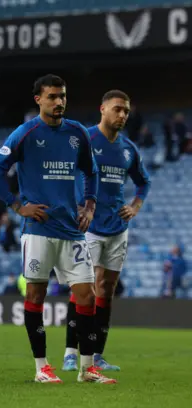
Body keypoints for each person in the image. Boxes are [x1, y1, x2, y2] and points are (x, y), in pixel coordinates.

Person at [0, 74, 116, 384]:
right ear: (39, 100)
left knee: (87, 296)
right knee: (35, 294)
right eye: (53, 97)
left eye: (63, 96)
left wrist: (90, 205)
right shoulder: (25, 133)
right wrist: (17, 206)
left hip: (71, 229)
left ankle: (87, 369)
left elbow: (91, 172)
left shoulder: (77, 133)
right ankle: (41, 366)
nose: (59, 102)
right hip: (38, 229)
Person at [62, 90, 151, 372]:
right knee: (82, 289)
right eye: (117, 109)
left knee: (106, 291)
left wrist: (135, 205)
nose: (122, 115)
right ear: (103, 109)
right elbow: (64, 172)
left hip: (118, 228)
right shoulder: (84, 139)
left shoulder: (128, 149)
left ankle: (98, 355)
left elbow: (143, 182)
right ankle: (70, 352)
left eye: (126, 111)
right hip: (87, 227)